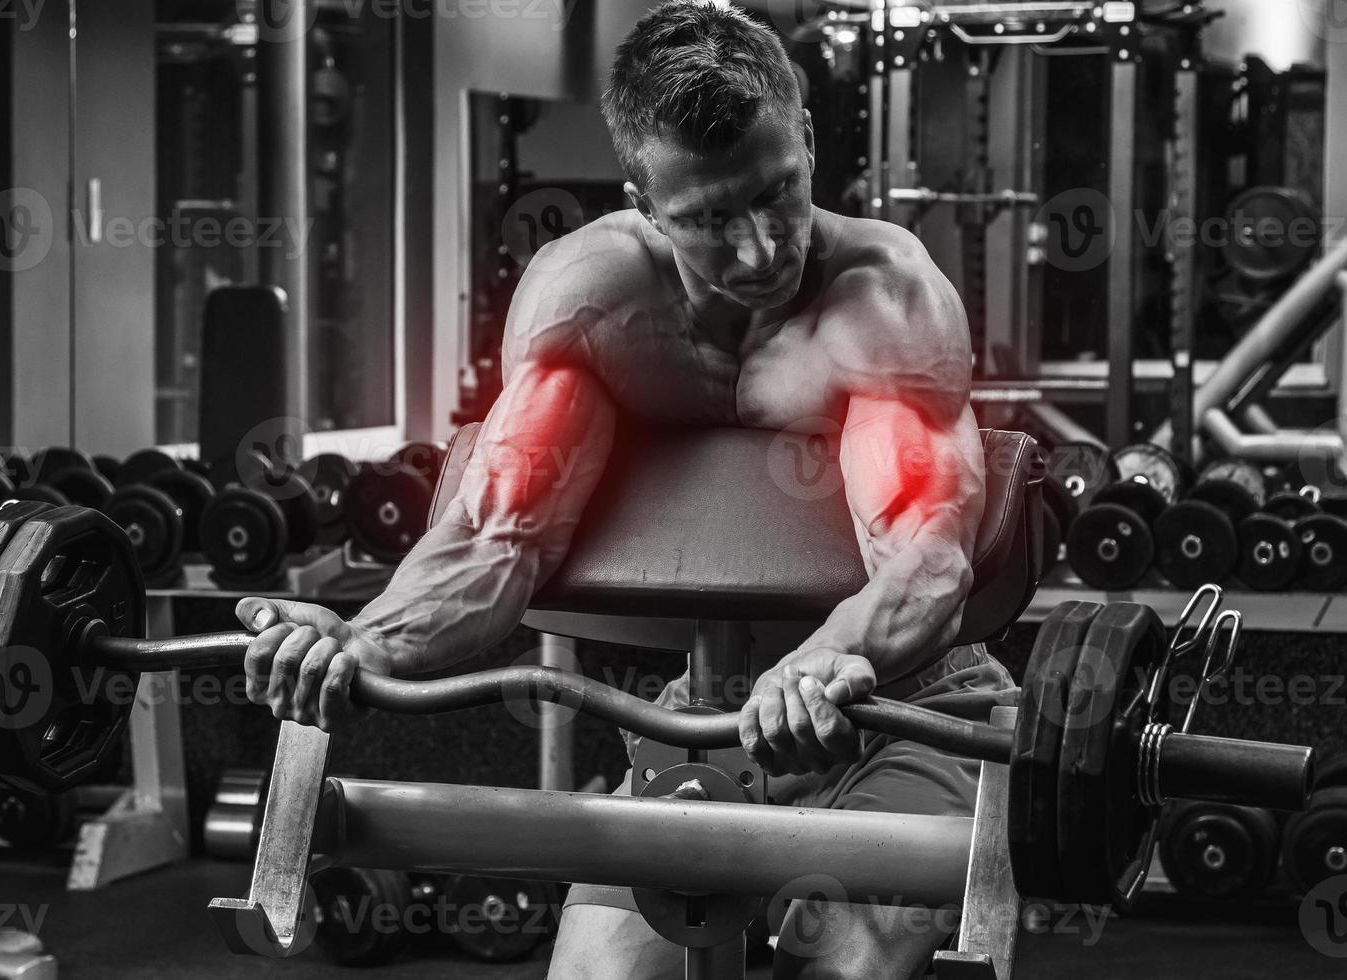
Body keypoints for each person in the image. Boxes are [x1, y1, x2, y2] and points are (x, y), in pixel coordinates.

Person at [235, 3, 1014, 976]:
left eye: (779, 192)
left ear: (808, 137)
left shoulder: (884, 299)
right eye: (711, 219)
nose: (764, 249)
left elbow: (927, 555)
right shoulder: (591, 305)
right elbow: (494, 540)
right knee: (601, 971)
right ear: (644, 201)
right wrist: (360, 639)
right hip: (703, 706)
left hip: (910, 710)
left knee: (841, 960)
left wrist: (826, 662)